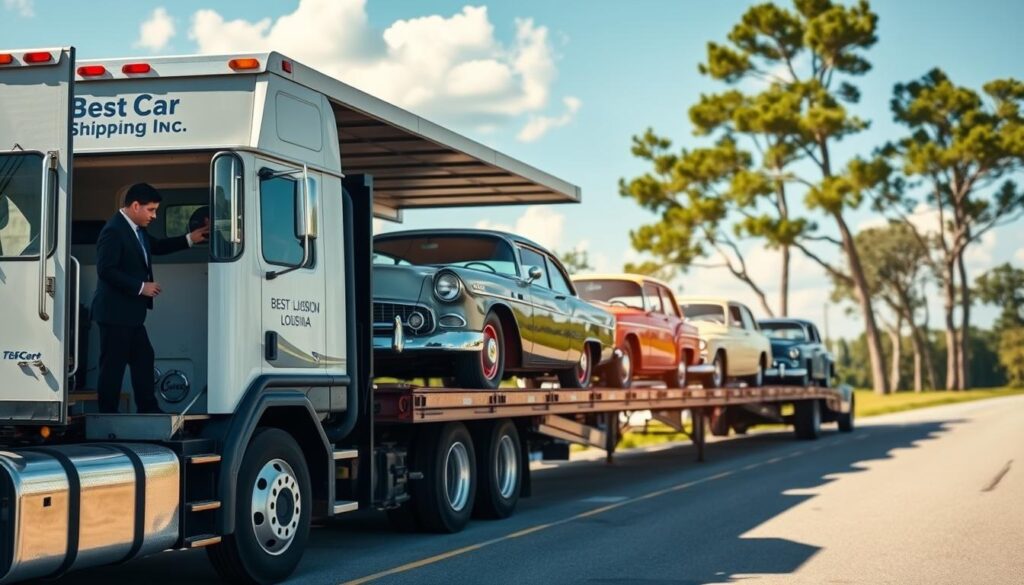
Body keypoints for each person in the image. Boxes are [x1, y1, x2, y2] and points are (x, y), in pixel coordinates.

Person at [92, 183, 209, 414]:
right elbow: (106, 270)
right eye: (151, 210)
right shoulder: (113, 231)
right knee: (112, 368)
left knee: (144, 359)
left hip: (131, 316)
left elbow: (156, 246)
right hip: (114, 314)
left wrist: (190, 238)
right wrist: (141, 287)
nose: (154, 215)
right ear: (135, 206)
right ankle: (107, 416)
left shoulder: (137, 230)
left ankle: (148, 410)